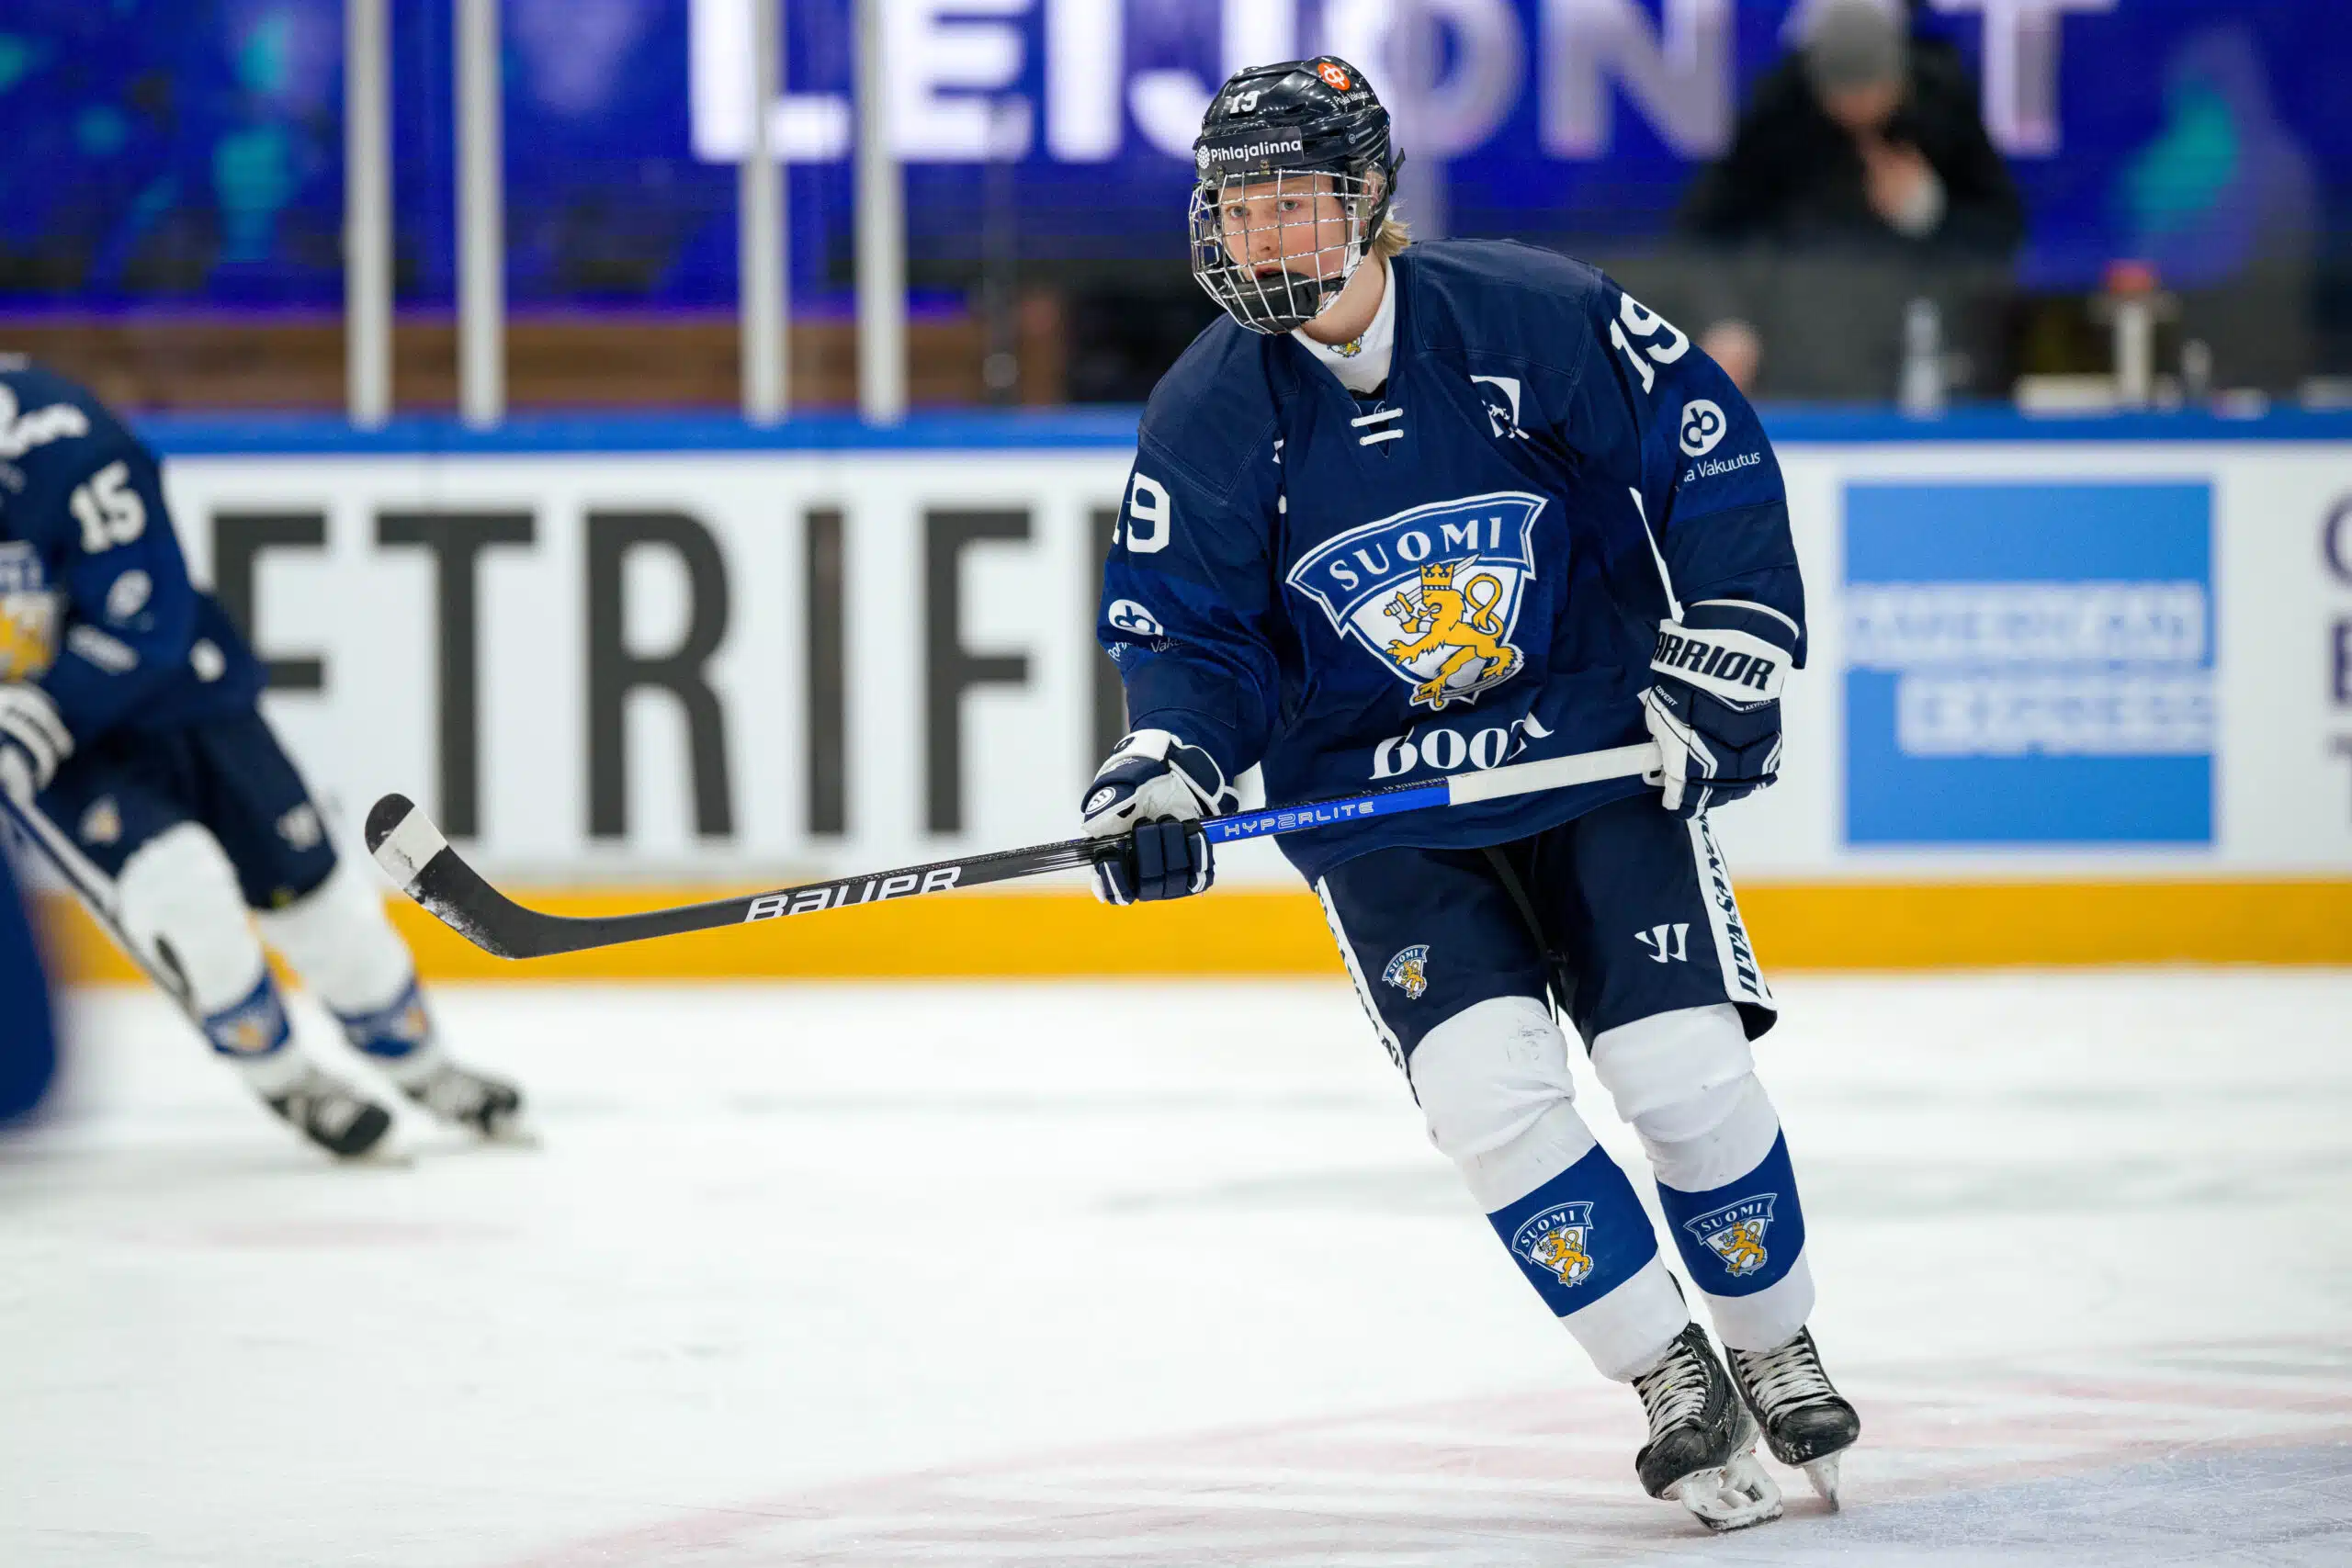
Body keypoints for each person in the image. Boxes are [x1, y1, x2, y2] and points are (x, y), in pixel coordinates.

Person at [1078, 59, 1858, 1531]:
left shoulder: (1527, 312)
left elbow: (1703, 446)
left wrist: (1732, 635)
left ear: (1369, 197)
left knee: (1683, 1073)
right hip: (1383, 817)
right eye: (1238, 208)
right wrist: (1167, 760)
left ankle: (1773, 1339)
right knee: (1489, 1096)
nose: (1261, 235)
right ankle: (1669, 1372)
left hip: (1592, 757)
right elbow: (1190, 632)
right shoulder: (1208, 410)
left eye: (1293, 202)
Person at [0, 357, 522, 1158]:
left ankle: (422, 1062)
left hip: (185, 701)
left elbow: (146, 616)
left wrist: (34, 715)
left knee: (319, 901)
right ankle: (284, 1077)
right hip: (74, 757)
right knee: (181, 898)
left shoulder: (62, 437)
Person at [1675, 0, 2023, 393]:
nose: (1859, 107)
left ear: (1900, 78)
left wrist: (1930, 212)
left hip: (1921, 349)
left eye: (1872, 91)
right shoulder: (1780, 116)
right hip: (1798, 350)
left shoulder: (1943, 110)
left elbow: (2003, 232)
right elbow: (1705, 232)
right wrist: (1725, 318)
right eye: (1843, 95)